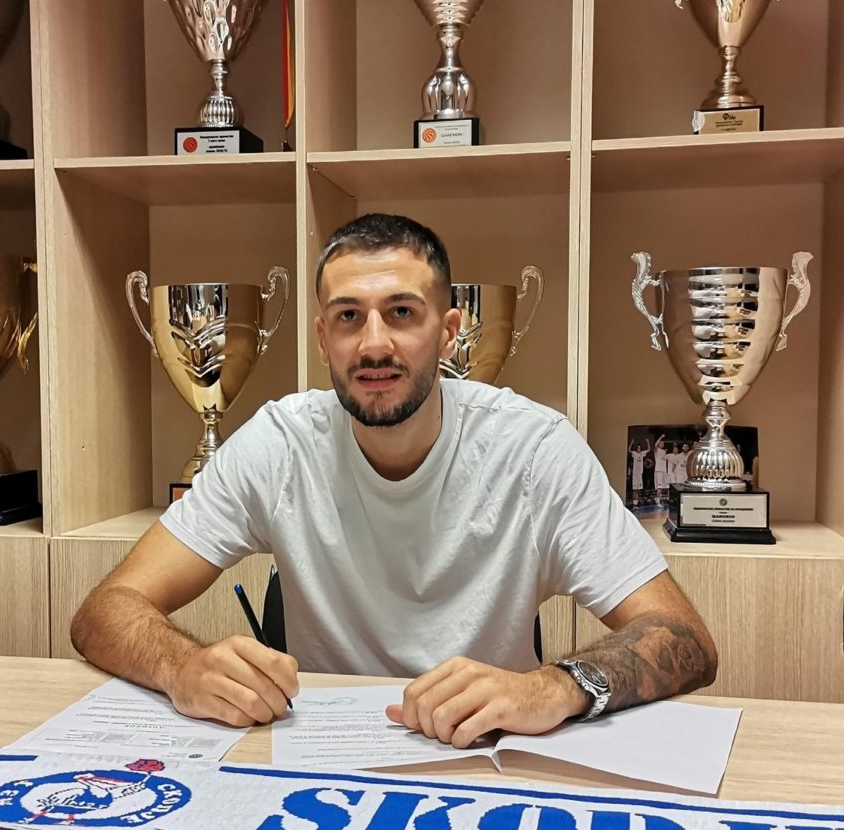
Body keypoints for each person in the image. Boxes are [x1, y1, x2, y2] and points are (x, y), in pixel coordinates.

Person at [70, 214, 717, 748]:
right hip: (320, 758)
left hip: (486, 760)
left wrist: (553, 687)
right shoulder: (277, 444)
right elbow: (105, 609)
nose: (373, 344)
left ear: (450, 332)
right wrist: (181, 666)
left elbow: (685, 637)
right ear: (322, 338)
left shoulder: (534, 450)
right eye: (348, 316)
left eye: (401, 312)